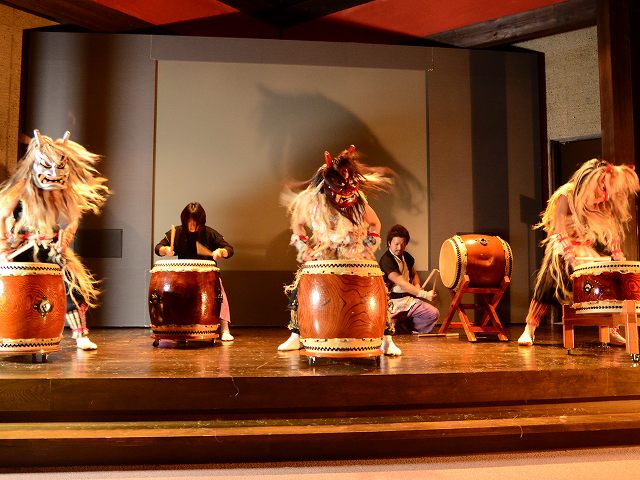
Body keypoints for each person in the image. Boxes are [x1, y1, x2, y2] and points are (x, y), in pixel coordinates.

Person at [278, 145, 402, 355]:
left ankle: (387, 338)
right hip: (323, 253)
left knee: (379, 289)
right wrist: (303, 247)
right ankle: (296, 335)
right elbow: (297, 224)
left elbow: (375, 224)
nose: (343, 197)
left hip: (354, 252)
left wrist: (368, 246)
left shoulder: (358, 203)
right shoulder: (314, 202)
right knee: (300, 288)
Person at [0, 130, 110, 350]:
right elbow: (2, 215)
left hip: (51, 247)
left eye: (58, 167)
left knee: (71, 283)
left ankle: (80, 334)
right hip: (21, 246)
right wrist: (3, 246)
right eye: (47, 167)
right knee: (8, 284)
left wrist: (68, 233)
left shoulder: (63, 190)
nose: (52, 173)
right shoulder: (22, 187)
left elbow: (73, 218)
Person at [518, 159, 640, 346]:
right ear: (591, 181)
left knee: (607, 283)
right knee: (549, 281)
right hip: (562, 246)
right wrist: (569, 254)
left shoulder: (603, 204)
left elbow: (613, 234)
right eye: (603, 189)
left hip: (585, 250)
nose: (606, 196)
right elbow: (558, 230)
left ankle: (610, 330)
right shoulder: (567, 195)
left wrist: (617, 255)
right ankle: (530, 327)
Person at [155, 202, 235, 341]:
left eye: (195, 223)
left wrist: (221, 252)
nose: (192, 226)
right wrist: (165, 250)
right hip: (182, 279)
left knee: (220, 293)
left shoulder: (209, 233)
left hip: (207, 278)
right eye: (189, 222)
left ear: (201, 221)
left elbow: (229, 249)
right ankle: (175, 327)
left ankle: (224, 328)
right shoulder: (178, 232)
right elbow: (158, 247)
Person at [379, 224, 439, 335]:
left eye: (403, 244)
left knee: (433, 314)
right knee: (388, 330)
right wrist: (424, 294)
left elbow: (414, 274)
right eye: (396, 244)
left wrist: (417, 286)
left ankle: (407, 328)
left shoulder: (406, 256)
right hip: (392, 304)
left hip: (408, 300)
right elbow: (402, 284)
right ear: (389, 243)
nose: (399, 248)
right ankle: (399, 325)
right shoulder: (386, 260)